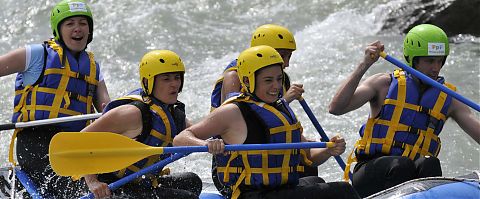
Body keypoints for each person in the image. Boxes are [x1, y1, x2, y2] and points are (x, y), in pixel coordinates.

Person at [174, 45, 360, 199]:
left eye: (279, 79)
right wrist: (207, 144)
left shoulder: (279, 107)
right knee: (343, 191)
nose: (276, 86)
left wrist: (328, 150)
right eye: (268, 80)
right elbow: (181, 139)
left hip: (278, 191)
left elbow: (308, 155)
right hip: (253, 195)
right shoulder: (233, 111)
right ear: (247, 80)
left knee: (315, 181)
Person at [328, 24, 480, 197]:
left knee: (429, 164)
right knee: (401, 165)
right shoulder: (383, 84)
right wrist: (364, 65)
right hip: (371, 171)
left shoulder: (448, 98)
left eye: (440, 61)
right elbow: (336, 108)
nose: (436, 68)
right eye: (429, 61)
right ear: (412, 59)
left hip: (411, 178)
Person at [0, 0, 110, 197]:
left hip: (75, 145)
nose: (77, 29)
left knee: (112, 181)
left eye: (83, 23)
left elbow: (106, 109)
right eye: (70, 24)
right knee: (73, 190)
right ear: (58, 29)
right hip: (37, 142)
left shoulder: (94, 67)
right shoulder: (35, 54)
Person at [210, 24, 318, 195]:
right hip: (238, 163)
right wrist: (286, 99)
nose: (286, 63)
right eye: (282, 55)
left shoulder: (279, 79)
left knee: (308, 166)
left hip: (269, 154)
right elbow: (243, 113)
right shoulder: (234, 75)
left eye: (289, 56)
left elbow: (277, 118)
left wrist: (301, 140)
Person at [81, 50, 202, 199]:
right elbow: (82, 140)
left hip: (140, 185)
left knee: (192, 181)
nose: (174, 84)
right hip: (112, 187)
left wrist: (215, 141)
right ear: (147, 82)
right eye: (166, 79)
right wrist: (92, 182)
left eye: (177, 78)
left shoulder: (173, 115)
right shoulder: (132, 113)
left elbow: (197, 134)